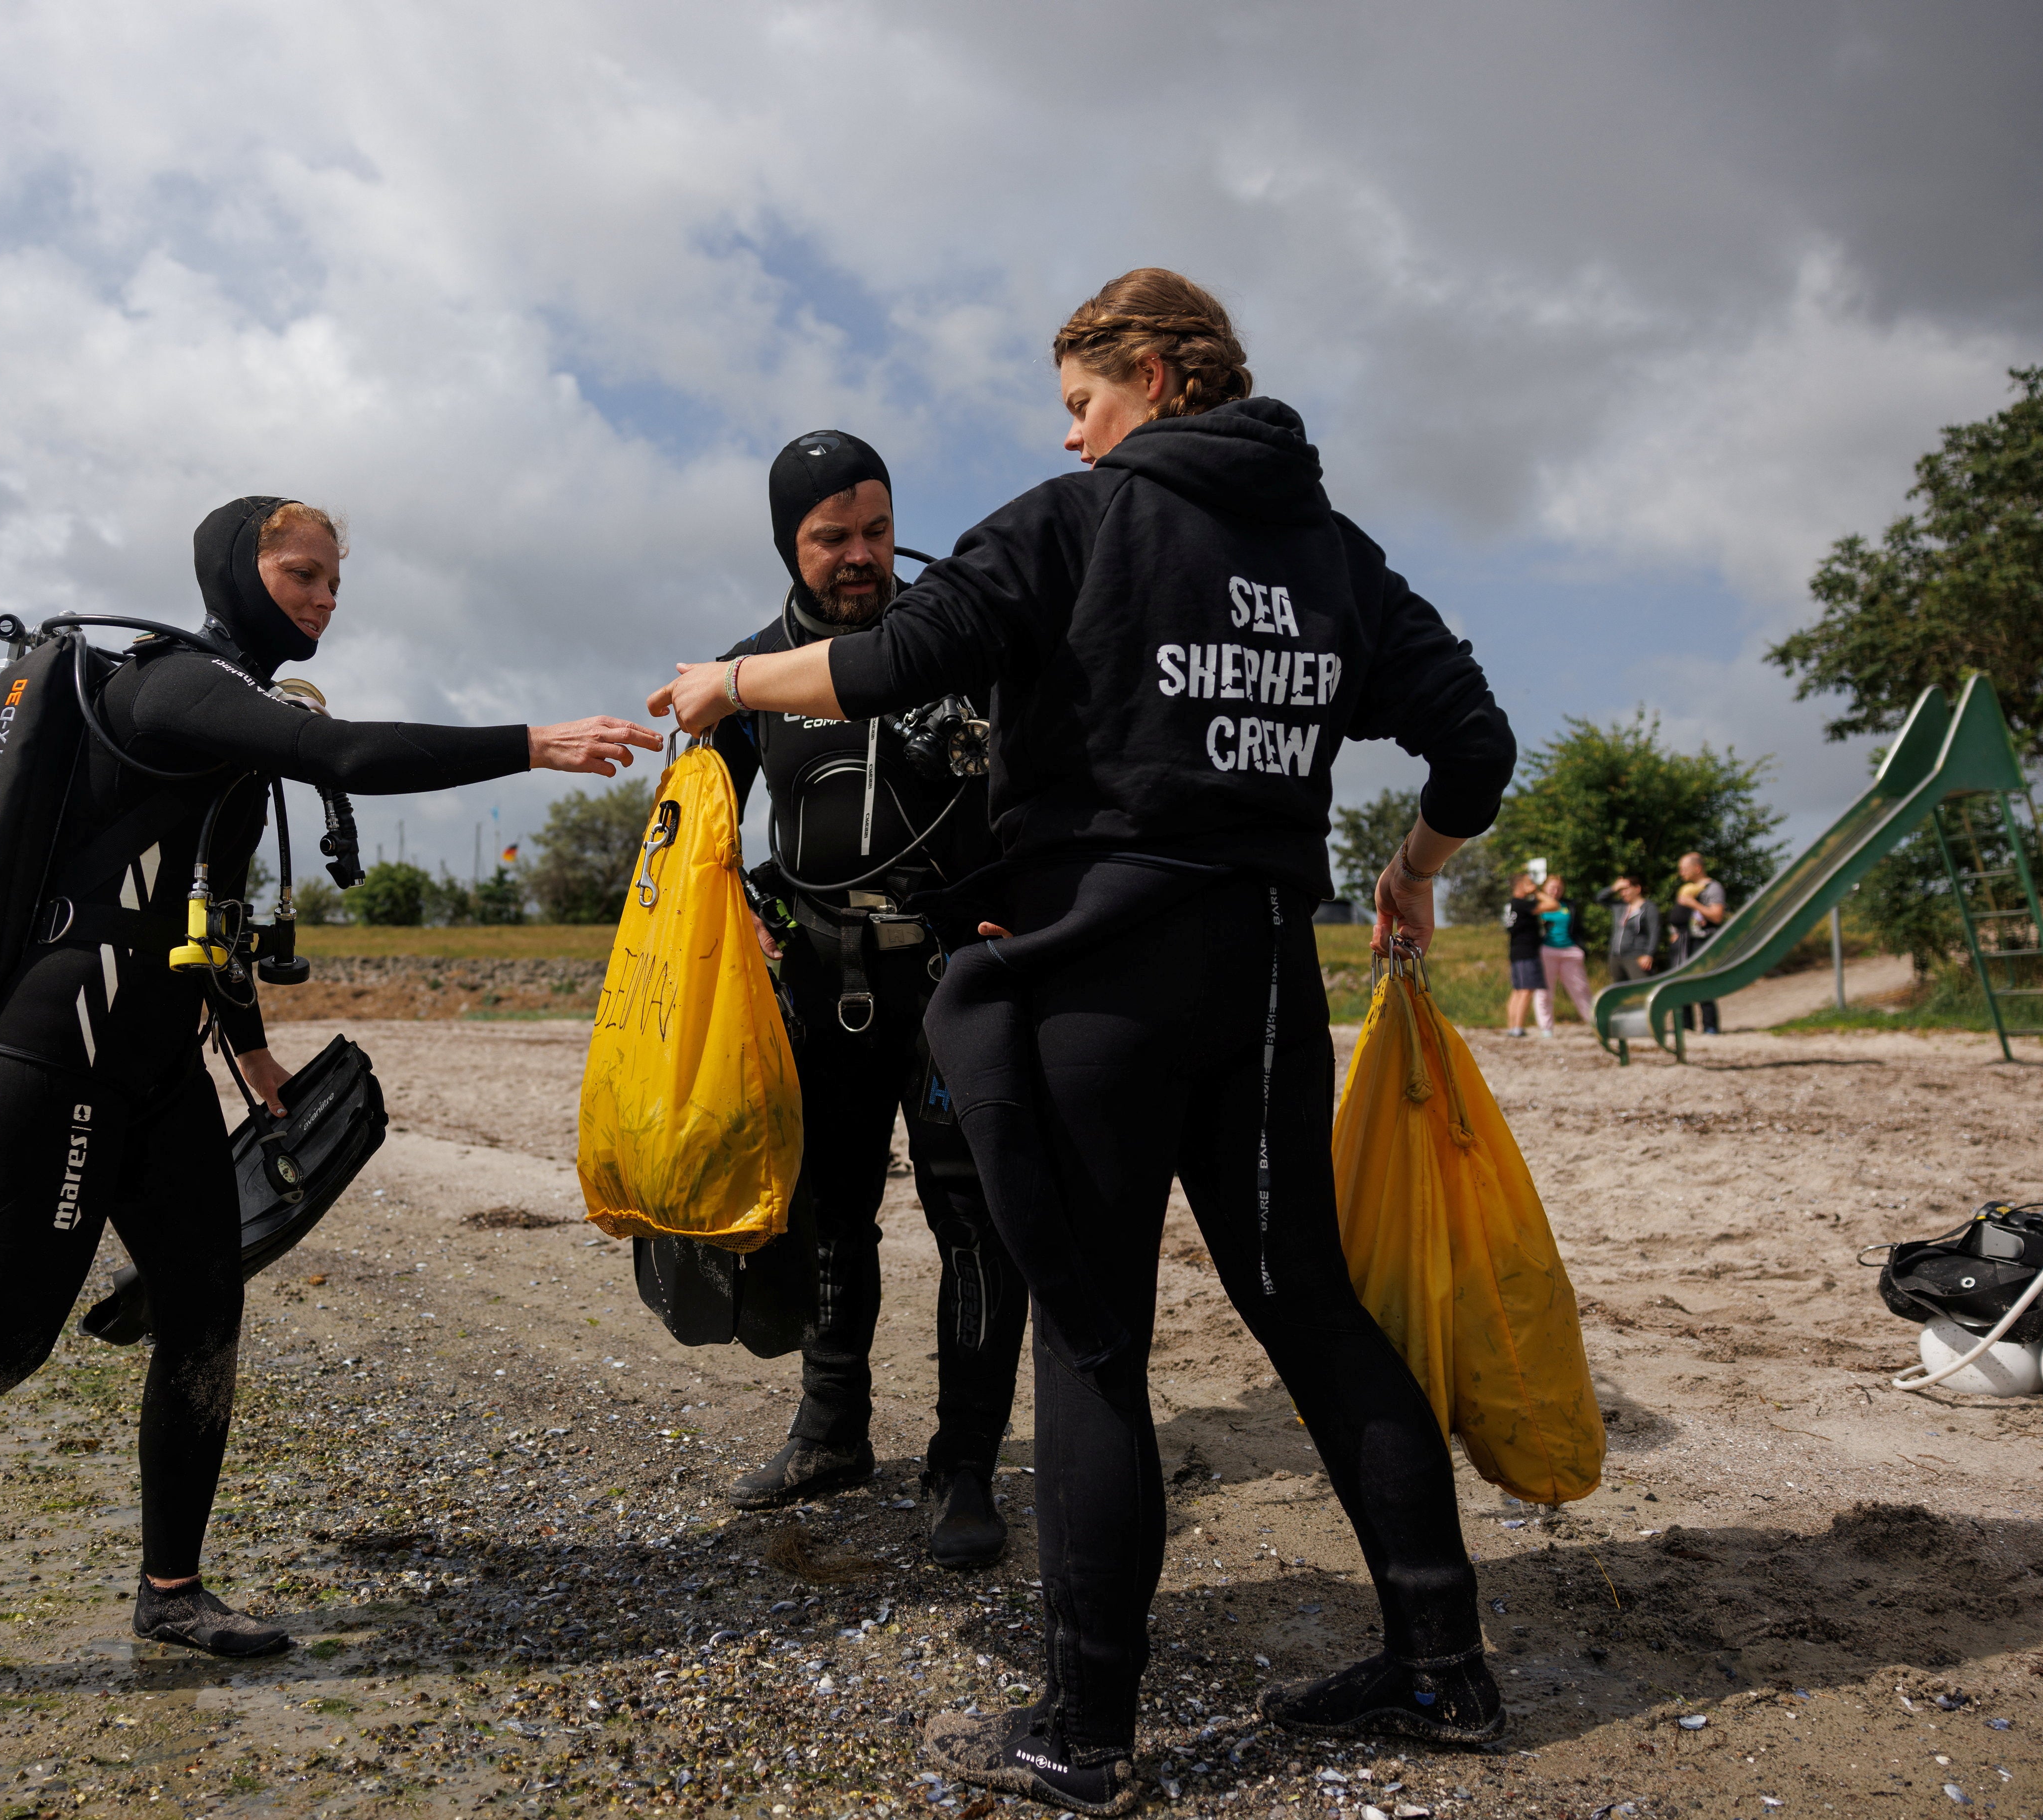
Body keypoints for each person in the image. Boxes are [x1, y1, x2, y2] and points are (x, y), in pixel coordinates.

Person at [650, 267, 1516, 1814]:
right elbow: (1478, 743)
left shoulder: (1077, 526)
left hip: (1097, 975)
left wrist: (727, 682)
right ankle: (1442, 1661)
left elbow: (892, 659)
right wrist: (1414, 868)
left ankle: (1086, 1731)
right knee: (1310, 1307)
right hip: (1260, 974)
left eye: (1081, 402)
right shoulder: (1335, 554)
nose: (1069, 439)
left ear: (1169, 376)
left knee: (1096, 1340)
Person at [0, 496, 661, 1708]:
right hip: (55, 1055)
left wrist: (250, 1056)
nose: (319, 597)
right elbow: (348, 754)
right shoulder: (177, 685)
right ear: (237, 575)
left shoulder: (232, 734)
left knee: (205, 1307)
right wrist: (533, 739)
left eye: (330, 583)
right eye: (299, 574)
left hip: (150, 1063)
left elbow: (202, 913)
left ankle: (170, 1593)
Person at [711, 430, 1027, 1568]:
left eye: (876, 532)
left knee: (975, 1226)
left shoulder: (962, 642)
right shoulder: (746, 672)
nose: (860, 557)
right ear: (786, 543)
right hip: (822, 981)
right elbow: (700, 826)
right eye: (830, 538)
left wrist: (1026, 899)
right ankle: (829, 1431)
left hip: (954, 979)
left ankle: (963, 1467)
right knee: (829, 1210)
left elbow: (1054, 778)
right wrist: (732, 913)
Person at [1672, 851, 1727, 1032]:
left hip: (1704, 942)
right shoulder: (1687, 889)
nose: (1681, 873)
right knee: (1683, 983)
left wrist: (1692, 904)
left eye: (1684, 869)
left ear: (1697, 868)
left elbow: (1717, 916)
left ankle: (1710, 1027)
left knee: (1703, 984)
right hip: (1686, 943)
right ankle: (1687, 1027)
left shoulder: (1713, 888)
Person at [1536, 875, 1596, 1025]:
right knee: (1545, 991)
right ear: (1544, 888)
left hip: (1570, 951)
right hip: (1546, 951)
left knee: (1581, 989)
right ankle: (1546, 1028)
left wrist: (1580, 948)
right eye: (1552, 888)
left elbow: (1579, 928)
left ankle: (1594, 1023)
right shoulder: (1537, 906)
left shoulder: (1570, 906)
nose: (1555, 891)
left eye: (1559, 888)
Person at [1501, 872, 1549, 1037]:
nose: (1532, 885)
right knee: (1526, 990)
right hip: (1526, 952)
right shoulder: (1522, 904)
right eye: (1529, 883)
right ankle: (1518, 1028)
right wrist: (1536, 893)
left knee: (1518, 990)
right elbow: (1553, 905)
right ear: (1521, 885)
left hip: (1516, 952)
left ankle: (1512, 1027)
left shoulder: (1511, 904)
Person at [1609, 873, 1662, 985]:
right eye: (1621, 890)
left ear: (1637, 889)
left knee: (1640, 989)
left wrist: (1649, 954)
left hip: (1636, 957)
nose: (1623, 893)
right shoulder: (1620, 906)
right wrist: (1614, 888)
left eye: (1626, 889)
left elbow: (1655, 932)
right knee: (1620, 992)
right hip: (1616, 957)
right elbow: (1600, 898)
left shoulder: (1649, 908)